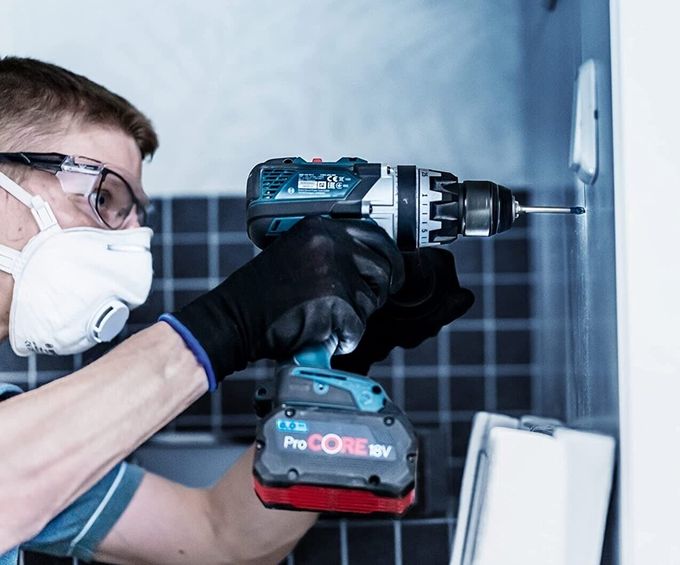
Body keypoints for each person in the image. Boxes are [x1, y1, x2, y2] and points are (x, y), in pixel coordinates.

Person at [0, 57, 473, 564]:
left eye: (133, 215)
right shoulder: (25, 454)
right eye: (102, 196)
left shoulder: (24, 428)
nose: (131, 245)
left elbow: (220, 540)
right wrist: (227, 325)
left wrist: (340, 364)